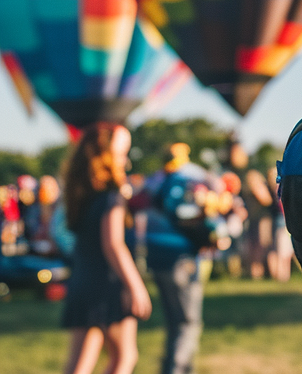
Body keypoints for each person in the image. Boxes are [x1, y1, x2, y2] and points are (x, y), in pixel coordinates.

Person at [61, 123, 152, 374]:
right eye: (123, 155)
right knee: (124, 357)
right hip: (107, 283)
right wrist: (135, 285)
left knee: (81, 361)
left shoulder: (82, 194)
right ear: (106, 155)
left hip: (83, 279)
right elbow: (113, 243)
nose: (127, 163)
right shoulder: (111, 196)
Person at [141, 143, 216, 374]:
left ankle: (172, 368)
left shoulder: (153, 180)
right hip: (179, 257)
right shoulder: (185, 180)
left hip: (156, 255)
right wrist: (206, 219)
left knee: (175, 321)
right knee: (188, 323)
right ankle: (177, 369)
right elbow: (181, 212)